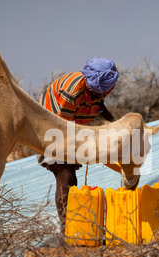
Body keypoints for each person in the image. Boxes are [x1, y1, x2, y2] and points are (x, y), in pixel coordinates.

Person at [37, 57, 119, 233]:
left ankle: (75, 227)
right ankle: (66, 232)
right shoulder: (71, 92)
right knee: (64, 176)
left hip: (67, 130)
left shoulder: (95, 89)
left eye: (106, 92)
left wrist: (115, 124)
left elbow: (99, 105)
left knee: (72, 180)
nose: (104, 95)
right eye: (101, 92)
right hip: (51, 130)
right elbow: (64, 128)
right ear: (92, 86)